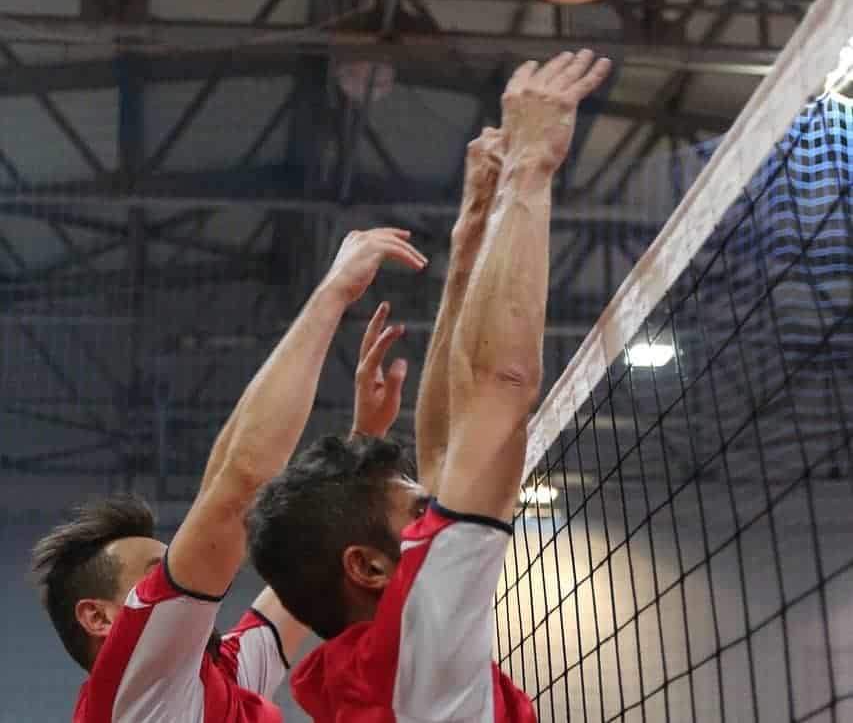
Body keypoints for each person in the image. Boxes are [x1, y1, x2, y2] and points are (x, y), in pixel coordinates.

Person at [247, 49, 612, 722]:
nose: (434, 516)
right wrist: (531, 165)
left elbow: (448, 452)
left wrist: (473, 224)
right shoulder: (416, 656)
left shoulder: (369, 673)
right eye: (418, 518)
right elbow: (501, 384)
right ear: (367, 568)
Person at [30, 227, 427, 723]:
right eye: (159, 574)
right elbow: (238, 490)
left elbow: (295, 563)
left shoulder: (218, 681)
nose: (184, 570)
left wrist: (358, 448)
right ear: (100, 617)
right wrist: (334, 292)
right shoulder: (133, 693)